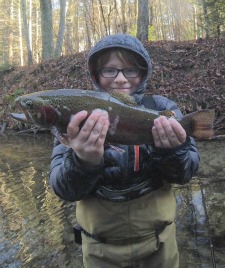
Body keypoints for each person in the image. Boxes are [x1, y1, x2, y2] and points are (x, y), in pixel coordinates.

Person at [49, 34, 200, 268]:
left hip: (160, 245)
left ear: (143, 73)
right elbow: (64, 189)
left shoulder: (163, 109)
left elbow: (185, 174)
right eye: (109, 70)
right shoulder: (74, 120)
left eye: (130, 70)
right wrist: (83, 161)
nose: (120, 79)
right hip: (100, 250)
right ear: (96, 75)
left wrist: (172, 151)